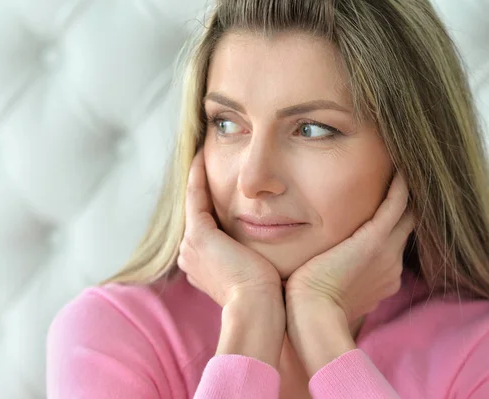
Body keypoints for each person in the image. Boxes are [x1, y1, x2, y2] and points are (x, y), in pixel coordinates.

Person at [46, 0, 489, 397]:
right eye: (226, 123)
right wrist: (248, 322)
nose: (253, 180)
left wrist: (322, 331)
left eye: (312, 129)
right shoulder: (112, 335)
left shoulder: (476, 351)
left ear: (410, 154)